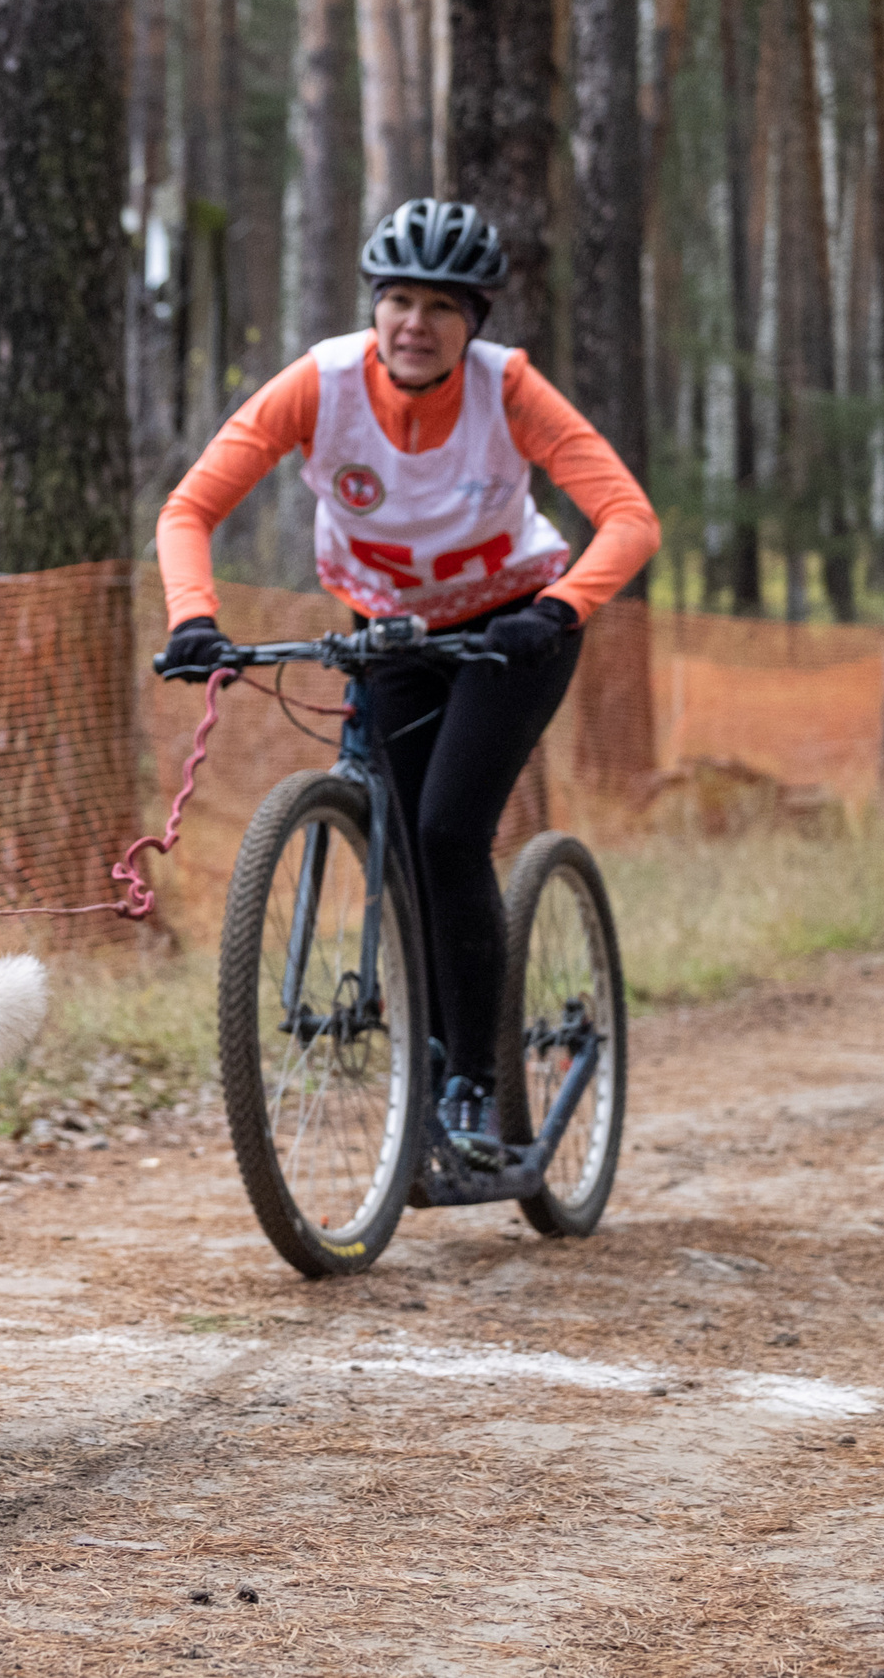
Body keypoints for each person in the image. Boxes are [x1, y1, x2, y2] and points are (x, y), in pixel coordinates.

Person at [154, 197, 658, 1168]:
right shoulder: (320, 383)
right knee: (394, 837)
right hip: (390, 631)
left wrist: (559, 610)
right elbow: (190, 507)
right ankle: (424, 1047)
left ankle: (469, 1080)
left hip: (516, 626)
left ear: (473, 322)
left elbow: (627, 518)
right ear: (374, 306)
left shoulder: (507, 389)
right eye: (397, 300)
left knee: (443, 832)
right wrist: (192, 619)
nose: (414, 323)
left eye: (439, 306)